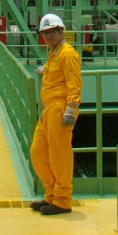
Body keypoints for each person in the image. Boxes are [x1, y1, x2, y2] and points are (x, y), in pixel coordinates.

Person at [29, 13, 82, 216]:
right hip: (48, 110)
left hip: (59, 109)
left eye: (52, 32)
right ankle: (51, 194)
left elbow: (74, 83)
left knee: (59, 155)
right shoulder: (54, 54)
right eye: (45, 33)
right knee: (38, 152)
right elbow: (58, 74)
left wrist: (70, 110)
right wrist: (46, 70)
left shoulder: (67, 54)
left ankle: (62, 199)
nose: (48, 36)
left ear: (61, 32)